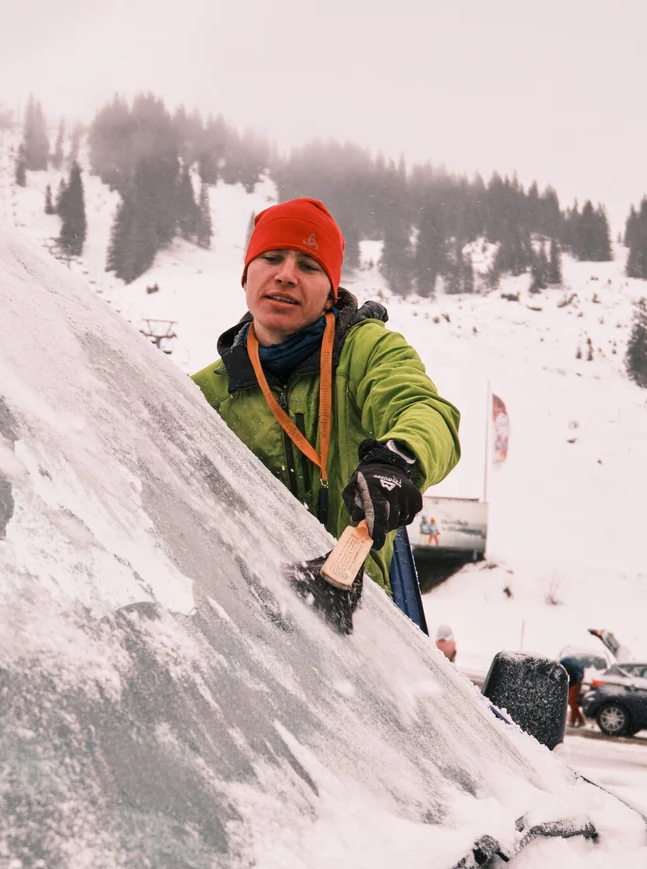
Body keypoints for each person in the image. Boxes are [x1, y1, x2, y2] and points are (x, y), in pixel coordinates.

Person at [193, 198, 460, 594]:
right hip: (242, 620)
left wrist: (399, 458)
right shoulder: (206, 394)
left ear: (332, 291)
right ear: (246, 276)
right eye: (271, 258)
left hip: (358, 623)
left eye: (308, 265)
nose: (285, 275)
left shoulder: (366, 350)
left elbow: (426, 410)